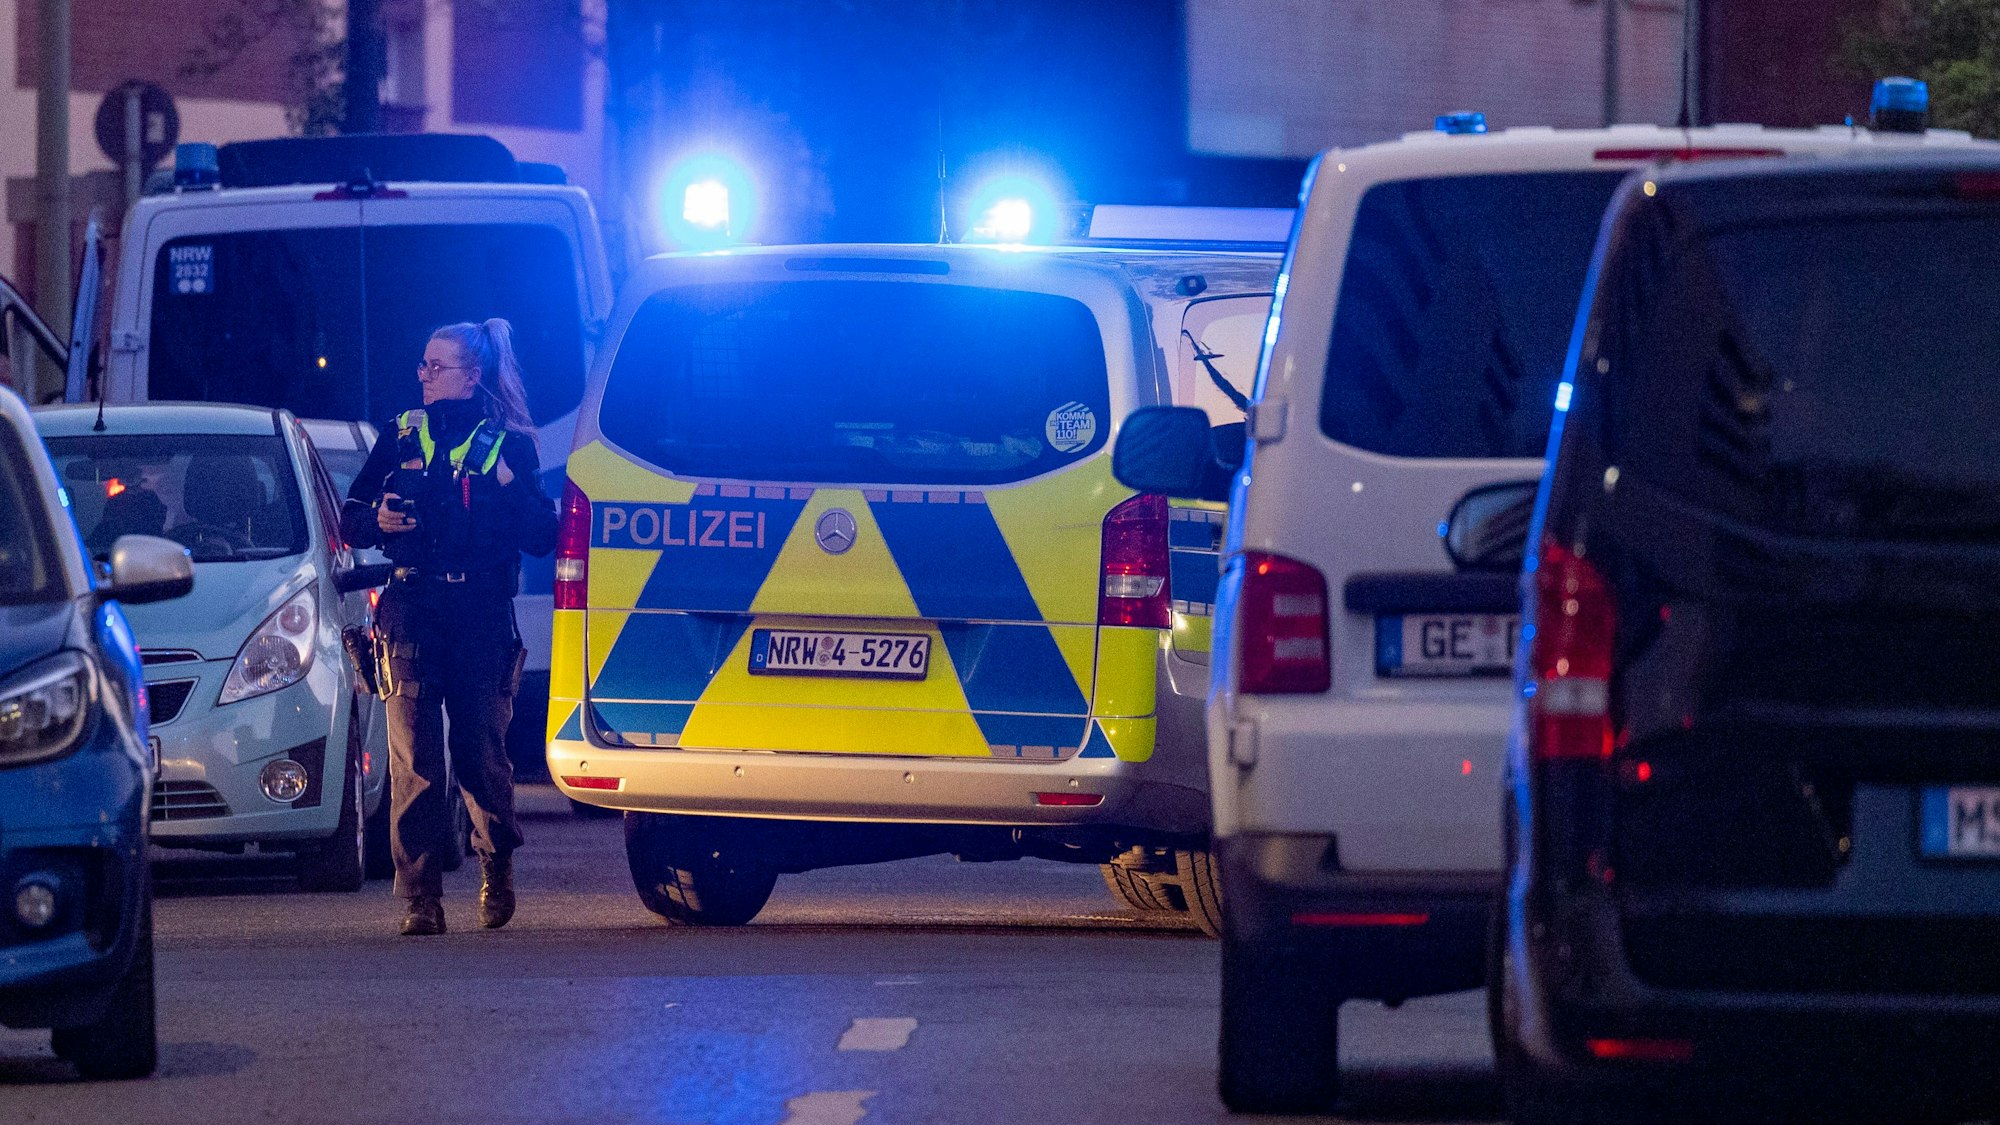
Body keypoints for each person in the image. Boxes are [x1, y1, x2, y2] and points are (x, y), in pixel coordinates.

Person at [342, 319, 557, 935]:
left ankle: (497, 862)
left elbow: (543, 535)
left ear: (472, 376)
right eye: (423, 365)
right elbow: (351, 516)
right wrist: (379, 520)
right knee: (413, 754)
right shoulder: (400, 434)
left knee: (479, 751)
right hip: (411, 604)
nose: (425, 377)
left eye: (437, 367)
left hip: (481, 612)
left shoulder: (509, 445)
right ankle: (420, 897)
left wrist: (510, 487)